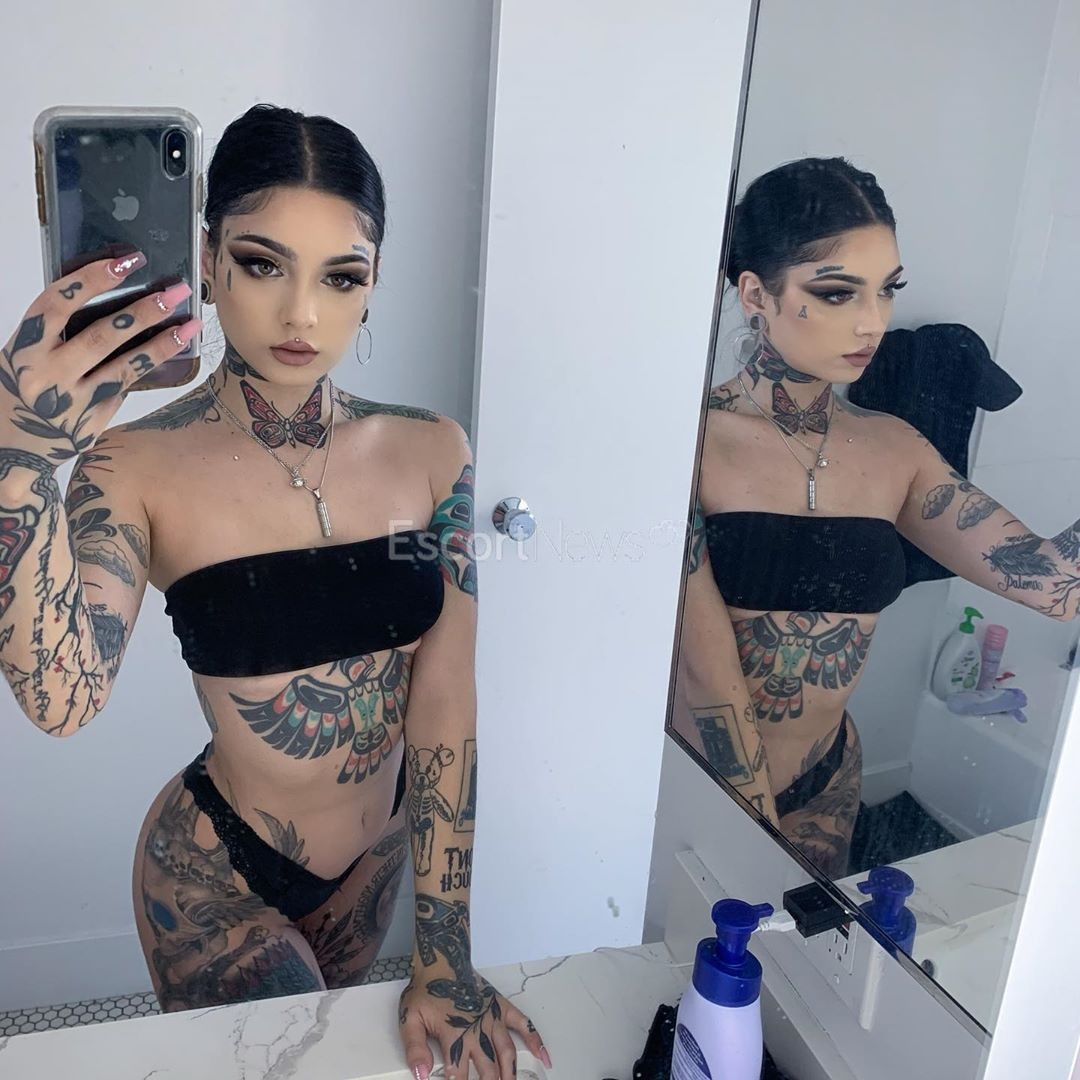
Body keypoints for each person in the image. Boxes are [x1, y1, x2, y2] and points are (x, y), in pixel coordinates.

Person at [0, 104, 548, 1080]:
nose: (303, 315)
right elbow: (62, 699)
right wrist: (21, 462)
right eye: (263, 264)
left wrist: (445, 948)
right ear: (208, 261)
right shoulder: (133, 464)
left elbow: (445, 702)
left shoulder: (434, 450)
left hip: (374, 865)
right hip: (216, 875)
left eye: (341, 276)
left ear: (373, 284)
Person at [673, 156, 1080, 877]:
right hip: (695, 779)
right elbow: (706, 679)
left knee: (812, 950)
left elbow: (1054, 586)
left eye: (888, 290)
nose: (873, 322)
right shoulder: (684, 444)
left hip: (828, 779)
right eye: (837, 293)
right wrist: (755, 832)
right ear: (756, 292)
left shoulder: (896, 450)